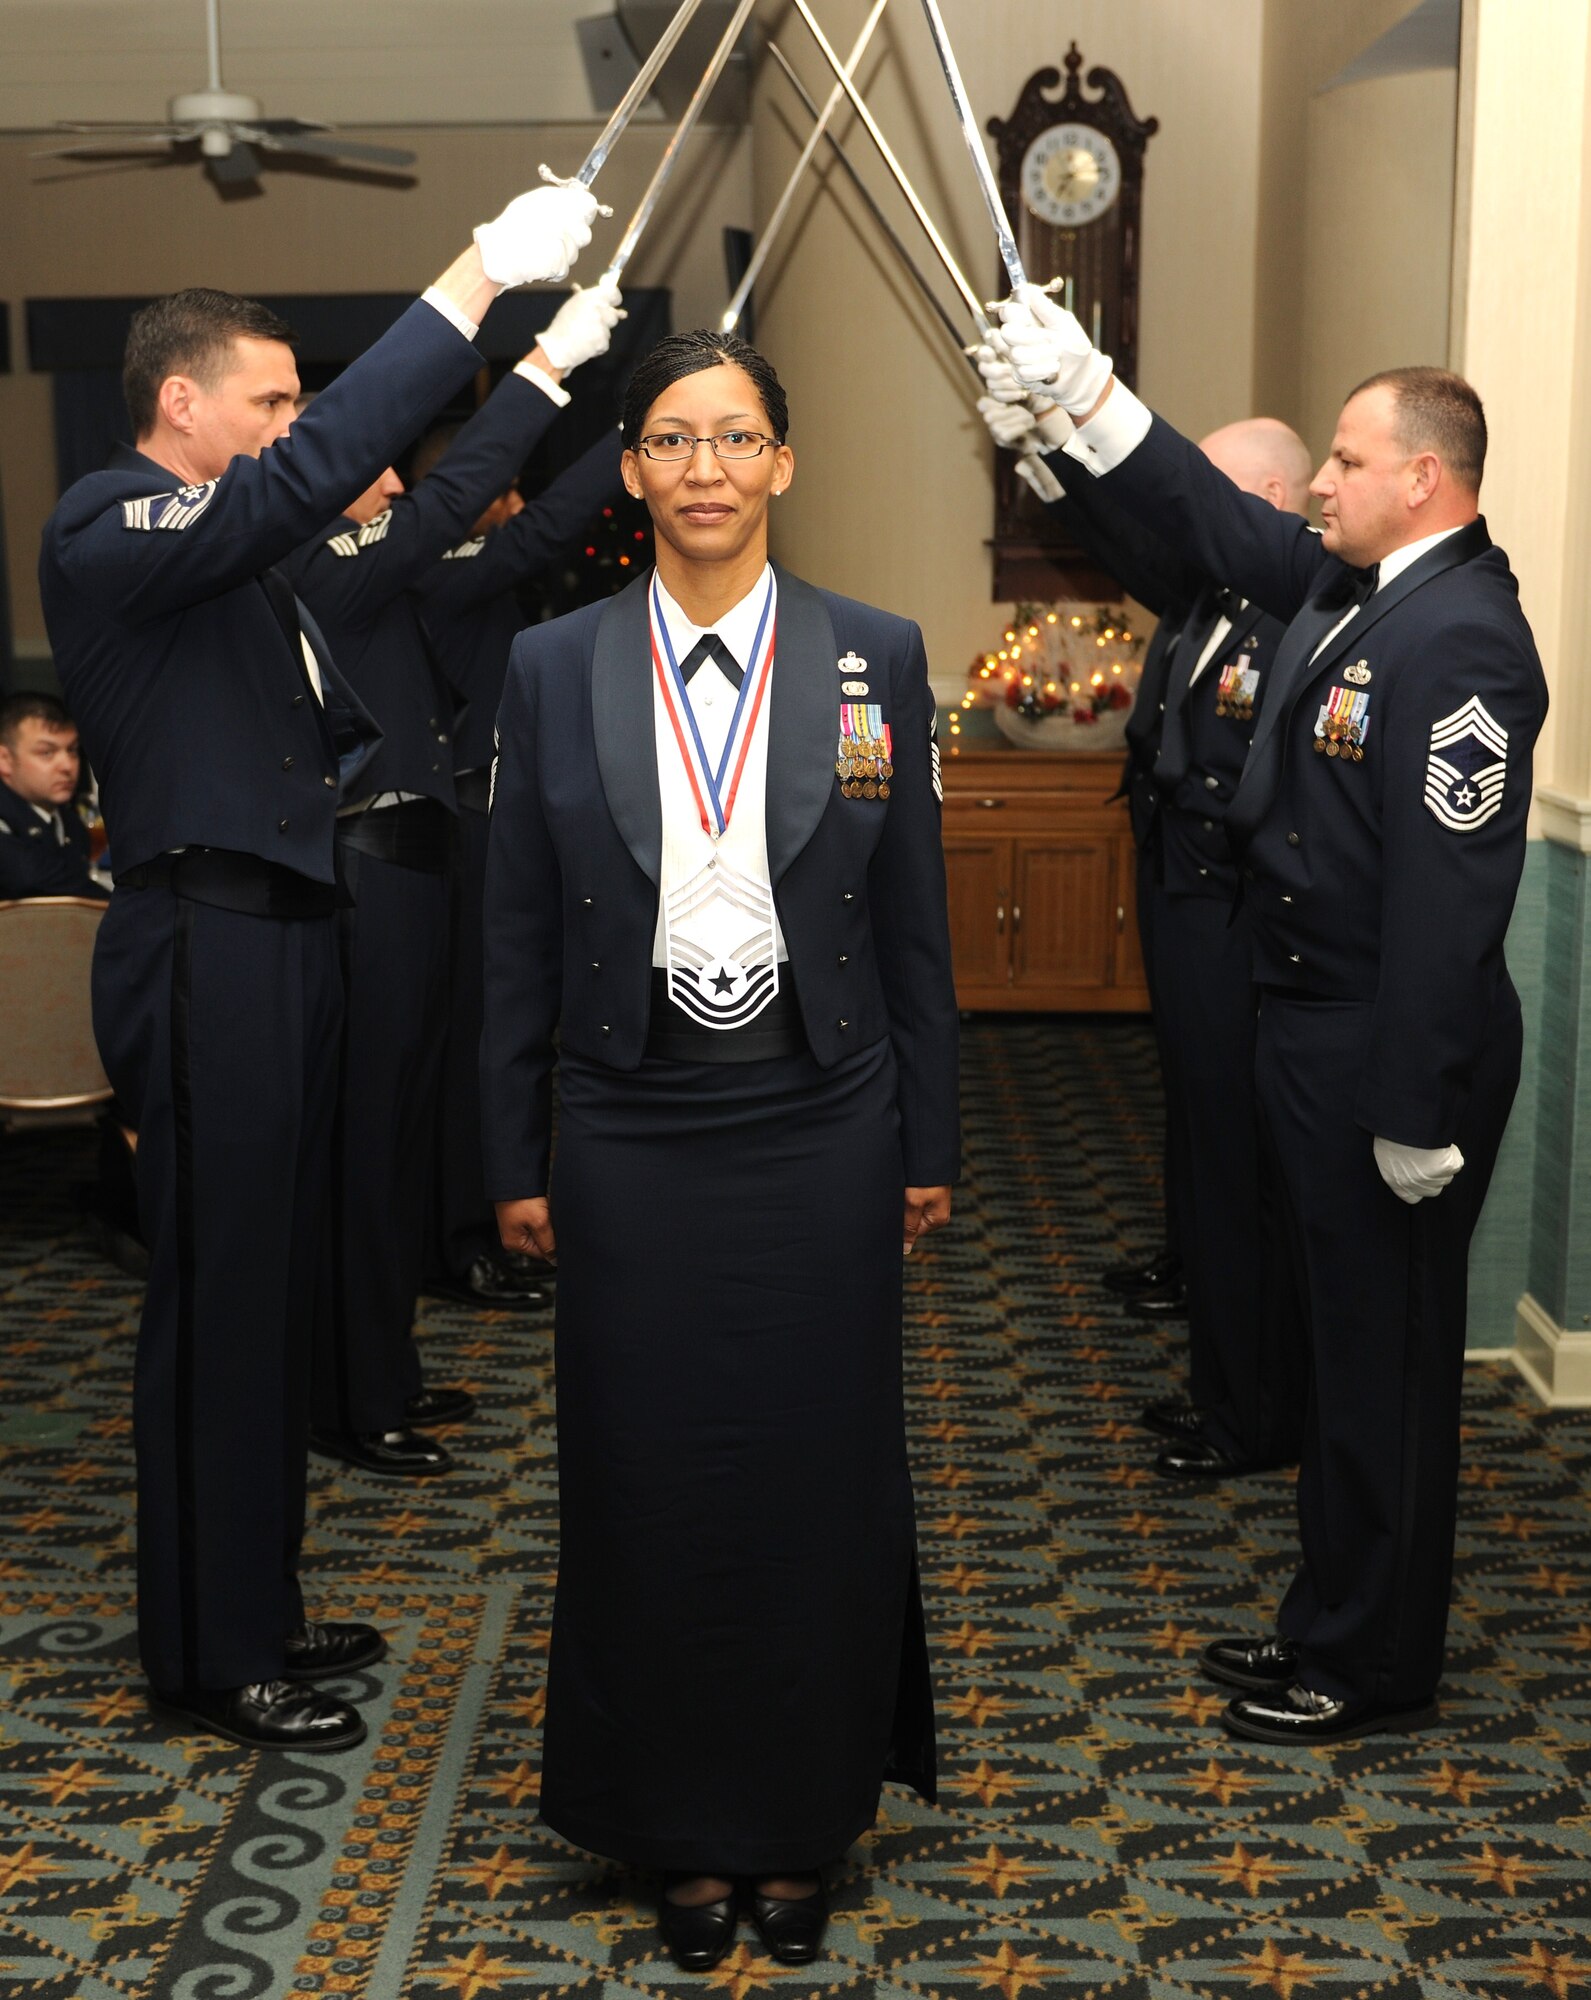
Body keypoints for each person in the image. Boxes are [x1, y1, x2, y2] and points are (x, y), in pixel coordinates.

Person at [38, 179, 602, 1754]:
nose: (293, 425)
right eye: (270, 397)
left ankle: (261, 1601)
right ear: (179, 404)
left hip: (283, 929)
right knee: (221, 1304)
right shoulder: (109, 522)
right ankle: (211, 1654)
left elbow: (364, 523)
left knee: (270, 1293)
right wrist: (477, 278)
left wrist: (534, 371)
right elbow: (307, 489)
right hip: (201, 932)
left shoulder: (245, 561)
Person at [991, 292, 1547, 1743]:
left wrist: (1413, 1104)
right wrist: (1091, 399)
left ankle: (1371, 1665)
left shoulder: (1461, 639)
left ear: (1420, 476)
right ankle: (1326, 1618)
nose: (1318, 483)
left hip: (1380, 1046)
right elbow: (1216, 527)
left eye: (1345, 462)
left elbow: (1447, 900)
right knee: (1332, 1346)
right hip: (1309, 1028)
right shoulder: (1358, 591)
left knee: (1383, 1373)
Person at [481, 330, 959, 1969]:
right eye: (672, 440)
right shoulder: (553, 665)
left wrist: (928, 1137)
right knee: (645, 1475)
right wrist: (512, 1151)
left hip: (822, 1116)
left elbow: (914, 933)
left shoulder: (871, 654)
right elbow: (516, 936)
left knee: (822, 1469)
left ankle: (803, 1818)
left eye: (734, 438)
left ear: (783, 464)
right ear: (629, 471)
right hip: (626, 1119)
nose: (704, 468)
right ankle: (680, 1834)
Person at [281, 287, 622, 1481]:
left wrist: (620, 435)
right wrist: (544, 368)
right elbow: (458, 502)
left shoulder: (369, 568)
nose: (390, 490)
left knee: (399, 1138)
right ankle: (350, 1394)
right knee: (368, 1152)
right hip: (369, 872)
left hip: (412, 869)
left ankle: (383, 1371)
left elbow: (498, 528)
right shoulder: (321, 563)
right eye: (368, 472)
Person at [979, 394, 1311, 1480]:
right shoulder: (1212, 586)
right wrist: (1054, 452)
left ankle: (1247, 1412)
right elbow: (1127, 531)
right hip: (1185, 895)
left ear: (1260, 498)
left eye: (1209, 489)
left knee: (1235, 1170)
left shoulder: (1287, 601)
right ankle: (1222, 1387)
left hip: (1228, 910)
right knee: (1204, 1150)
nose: (1189, 510)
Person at [412, 422, 628, 1306]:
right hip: (462, 825)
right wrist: (634, 430)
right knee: (476, 1038)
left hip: (489, 814)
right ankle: (466, 1239)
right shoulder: (433, 565)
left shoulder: (454, 565)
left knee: (501, 1031)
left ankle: (485, 1221)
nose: (513, 508)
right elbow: (544, 532)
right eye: (498, 490)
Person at [0, 692, 108, 901]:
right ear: (4, 759)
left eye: (72, 750)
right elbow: (27, 876)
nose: (67, 766)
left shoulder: (71, 824)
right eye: (46, 752)